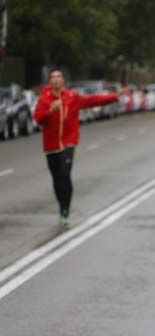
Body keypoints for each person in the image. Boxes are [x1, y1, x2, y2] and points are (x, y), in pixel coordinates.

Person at [32, 68, 119, 227]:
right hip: (51, 146)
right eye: (53, 77)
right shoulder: (44, 99)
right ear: (50, 82)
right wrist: (50, 110)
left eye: (59, 77)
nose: (56, 79)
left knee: (65, 174)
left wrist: (113, 97)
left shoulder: (72, 97)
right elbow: (38, 118)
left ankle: (65, 211)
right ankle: (61, 206)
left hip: (68, 142)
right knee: (57, 179)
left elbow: (92, 100)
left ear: (63, 81)